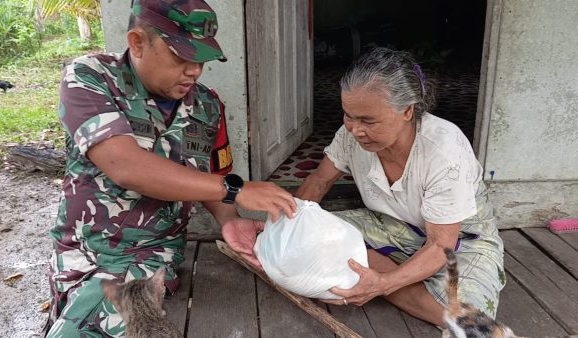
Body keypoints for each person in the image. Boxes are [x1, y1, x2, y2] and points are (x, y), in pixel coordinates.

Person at [44, 0, 296, 336]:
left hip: (154, 261)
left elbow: (211, 177)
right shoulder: (91, 78)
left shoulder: (206, 105)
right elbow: (125, 166)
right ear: (137, 42)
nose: (194, 70)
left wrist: (230, 219)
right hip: (89, 255)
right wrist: (237, 190)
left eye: (201, 59)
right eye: (181, 56)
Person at [295, 47, 506, 327]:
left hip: (462, 241)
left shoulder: (443, 149)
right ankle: (392, 277)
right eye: (348, 116)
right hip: (391, 226)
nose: (355, 129)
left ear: (407, 111)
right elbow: (320, 181)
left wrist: (383, 284)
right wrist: (290, 227)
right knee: (309, 231)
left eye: (368, 120)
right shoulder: (349, 137)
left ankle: (380, 277)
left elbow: (442, 243)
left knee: (469, 319)